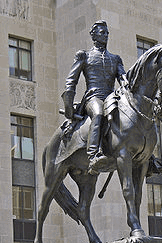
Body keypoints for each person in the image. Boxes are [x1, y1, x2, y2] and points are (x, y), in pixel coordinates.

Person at [62, 20, 128, 174]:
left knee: (132, 117)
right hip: (93, 97)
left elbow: (123, 78)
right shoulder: (84, 56)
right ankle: (93, 156)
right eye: (102, 32)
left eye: (107, 33)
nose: (105, 35)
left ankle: (147, 157)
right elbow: (71, 81)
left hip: (112, 98)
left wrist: (127, 84)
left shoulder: (115, 58)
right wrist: (68, 106)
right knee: (98, 113)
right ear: (93, 35)